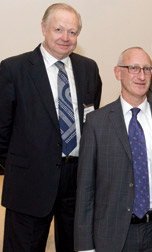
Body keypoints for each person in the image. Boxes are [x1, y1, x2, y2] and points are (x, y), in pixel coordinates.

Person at [0, 3, 102, 252]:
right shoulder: (14, 69)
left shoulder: (89, 69)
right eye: (59, 29)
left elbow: (91, 119)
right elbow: (1, 129)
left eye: (73, 32)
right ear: (44, 28)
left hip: (77, 181)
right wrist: (19, 166)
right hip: (29, 181)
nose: (65, 38)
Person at [74, 47, 152, 252]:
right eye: (134, 68)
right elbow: (85, 189)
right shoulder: (96, 123)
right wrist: (85, 246)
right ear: (118, 72)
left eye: (146, 69)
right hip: (110, 236)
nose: (142, 75)